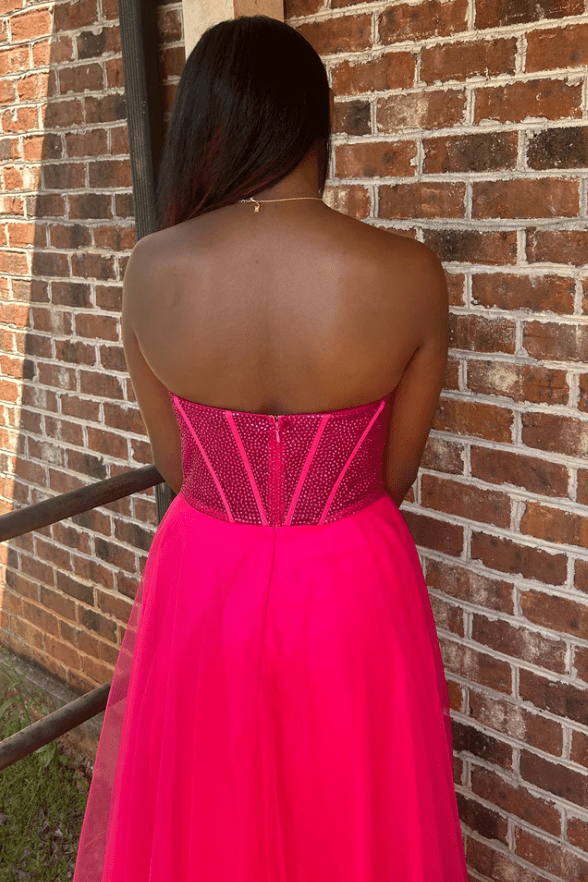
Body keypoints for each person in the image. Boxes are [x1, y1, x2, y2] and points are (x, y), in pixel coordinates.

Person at [73, 15, 468, 882]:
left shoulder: (150, 269)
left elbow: (178, 466)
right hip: (351, 580)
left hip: (203, 576)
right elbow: (392, 476)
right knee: (353, 813)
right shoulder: (410, 275)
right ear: (314, 123)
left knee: (211, 818)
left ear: (205, 122)